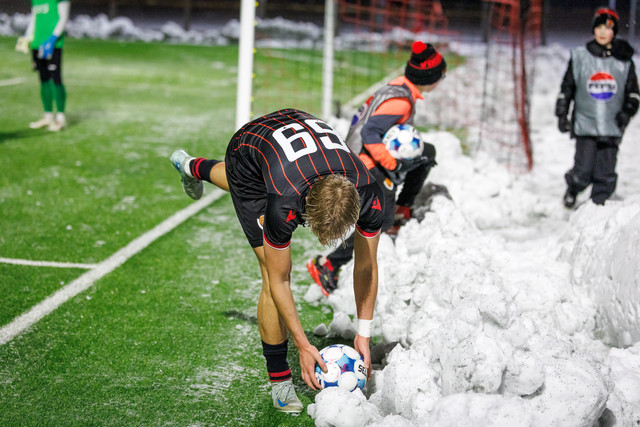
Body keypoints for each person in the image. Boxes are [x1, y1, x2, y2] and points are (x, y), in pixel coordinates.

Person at [169, 109, 383, 414]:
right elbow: (279, 280)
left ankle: (192, 166)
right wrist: (302, 345)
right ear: (304, 207)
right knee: (270, 270)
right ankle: (280, 381)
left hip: (293, 136)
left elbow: (366, 267)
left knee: (241, 184)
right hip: (248, 148)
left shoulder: (370, 193)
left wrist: (364, 332)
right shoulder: (283, 203)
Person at [307, 41, 445, 296]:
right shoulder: (401, 102)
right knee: (379, 220)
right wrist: (393, 163)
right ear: (431, 77)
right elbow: (370, 132)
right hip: (364, 164)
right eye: (441, 76)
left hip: (363, 155)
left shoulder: (399, 87)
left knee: (427, 154)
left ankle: (402, 208)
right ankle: (328, 264)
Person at [555, 7, 639, 208]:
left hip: (611, 127)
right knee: (583, 170)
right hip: (586, 125)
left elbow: (634, 93)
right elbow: (567, 88)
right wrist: (562, 113)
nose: (602, 32)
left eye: (607, 28)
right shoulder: (580, 58)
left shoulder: (623, 62)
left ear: (614, 32)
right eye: (599, 27)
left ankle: (598, 208)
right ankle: (574, 187)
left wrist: (627, 112)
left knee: (605, 173)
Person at [15, 0, 70, 132]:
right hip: (37, 43)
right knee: (43, 79)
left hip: (53, 44)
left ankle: (60, 118)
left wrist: (52, 39)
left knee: (56, 79)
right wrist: (27, 37)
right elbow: (34, 19)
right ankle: (48, 117)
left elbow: (63, 18)